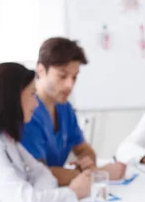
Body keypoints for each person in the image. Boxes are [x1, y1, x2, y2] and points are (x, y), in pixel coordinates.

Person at [0, 63, 91, 202]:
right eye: (32, 94)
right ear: (13, 97)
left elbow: (43, 174)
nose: (36, 103)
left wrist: (38, 196)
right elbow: (24, 199)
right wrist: (73, 193)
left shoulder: (6, 137)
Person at [21, 37, 126, 186]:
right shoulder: (28, 112)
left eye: (74, 77)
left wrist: (86, 163)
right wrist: (90, 174)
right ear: (41, 70)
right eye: (62, 76)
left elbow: (84, 149)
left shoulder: (64, 108)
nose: (70, 85)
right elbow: (40, 175)